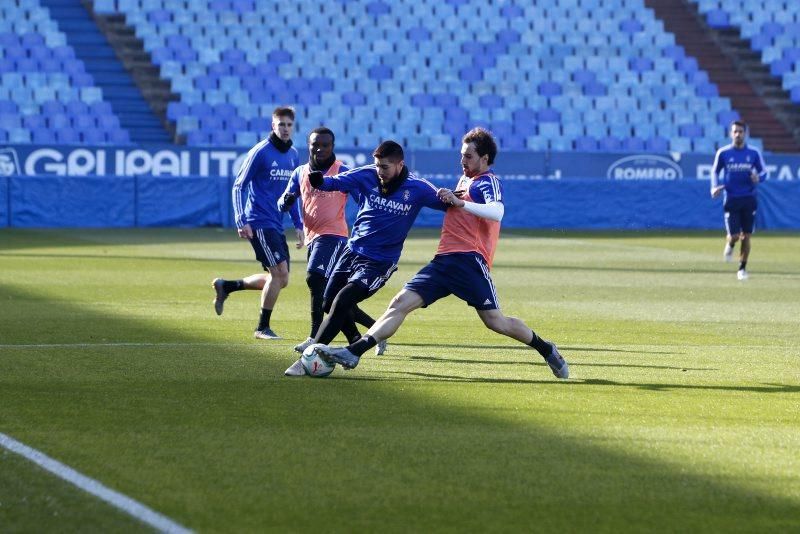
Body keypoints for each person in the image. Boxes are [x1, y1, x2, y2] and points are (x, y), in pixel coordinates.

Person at [314, 128, 569, 379]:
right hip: (444, 261)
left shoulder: (488, 181)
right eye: (461, 155)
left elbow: (497, 211)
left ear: (485, 159)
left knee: (495, 322)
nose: (462, 160)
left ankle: (546, 348)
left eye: (468, 156)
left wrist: (461, 203)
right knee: (400, 304)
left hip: (469, 261)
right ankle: (354, 352)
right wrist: (452, 198)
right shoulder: (465, 180)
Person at [284, 140, 449, 375]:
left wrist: (456, 199)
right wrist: (321, 182)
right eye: (377, 166)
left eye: (385, 167)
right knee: (328, 303)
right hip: (351, 252)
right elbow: (338, 181)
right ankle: (359, 339)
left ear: (400, 165)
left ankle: (307, 359)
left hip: (379, 262)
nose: (379, 172)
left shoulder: (418, 188)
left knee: (342, 301)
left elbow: (449, 205)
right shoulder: (367, 174)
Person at [276, 127, 386, 376]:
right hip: (314, 238)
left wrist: (369, 227)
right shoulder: (300, 172)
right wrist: (286, 203)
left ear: (332, 147)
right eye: (316, 144)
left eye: (325, 145)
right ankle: (369, 333)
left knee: (314, 278)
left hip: (335, 235)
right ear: (309, 145)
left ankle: (314, 338)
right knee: (332, 299)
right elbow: (284, 199)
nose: (320, 148)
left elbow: (364, 199)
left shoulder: (342, 171)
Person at [211, 106, 303, 338]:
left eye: (289, 125)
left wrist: (299, 225)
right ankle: (262, 327)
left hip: (276, 222)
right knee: (279, 273)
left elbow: (293, 193)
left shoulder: (293, 154)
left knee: (281, 280)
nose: (285, 129)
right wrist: (241, 219)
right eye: (281, 124)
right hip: (259, 220)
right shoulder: (260, 151)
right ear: (273, 126)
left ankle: (227, 286)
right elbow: (238, 185)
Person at [711, 120, 768, 281]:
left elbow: (764, 172)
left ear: (745, 134)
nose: (738, 134)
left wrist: (759, 177)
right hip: (731, 198)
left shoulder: (754, 153)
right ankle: (730, 244)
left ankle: (742, 268)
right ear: (731, 134)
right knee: (735, 235)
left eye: (740, 131)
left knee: (747, 235)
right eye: (735, 131)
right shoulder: (723, 153)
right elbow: (715, 171)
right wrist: (714, 187)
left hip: (749, 198)